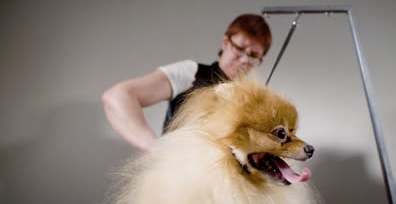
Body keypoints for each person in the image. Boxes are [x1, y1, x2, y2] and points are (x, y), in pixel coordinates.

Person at [101, 14, 272, 152]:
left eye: (254, 55)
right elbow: (117, 96)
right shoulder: (191, 72)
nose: (244, 60)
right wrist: (155, 149)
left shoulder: (251, 99)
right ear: (226, 42)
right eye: (240, 48)